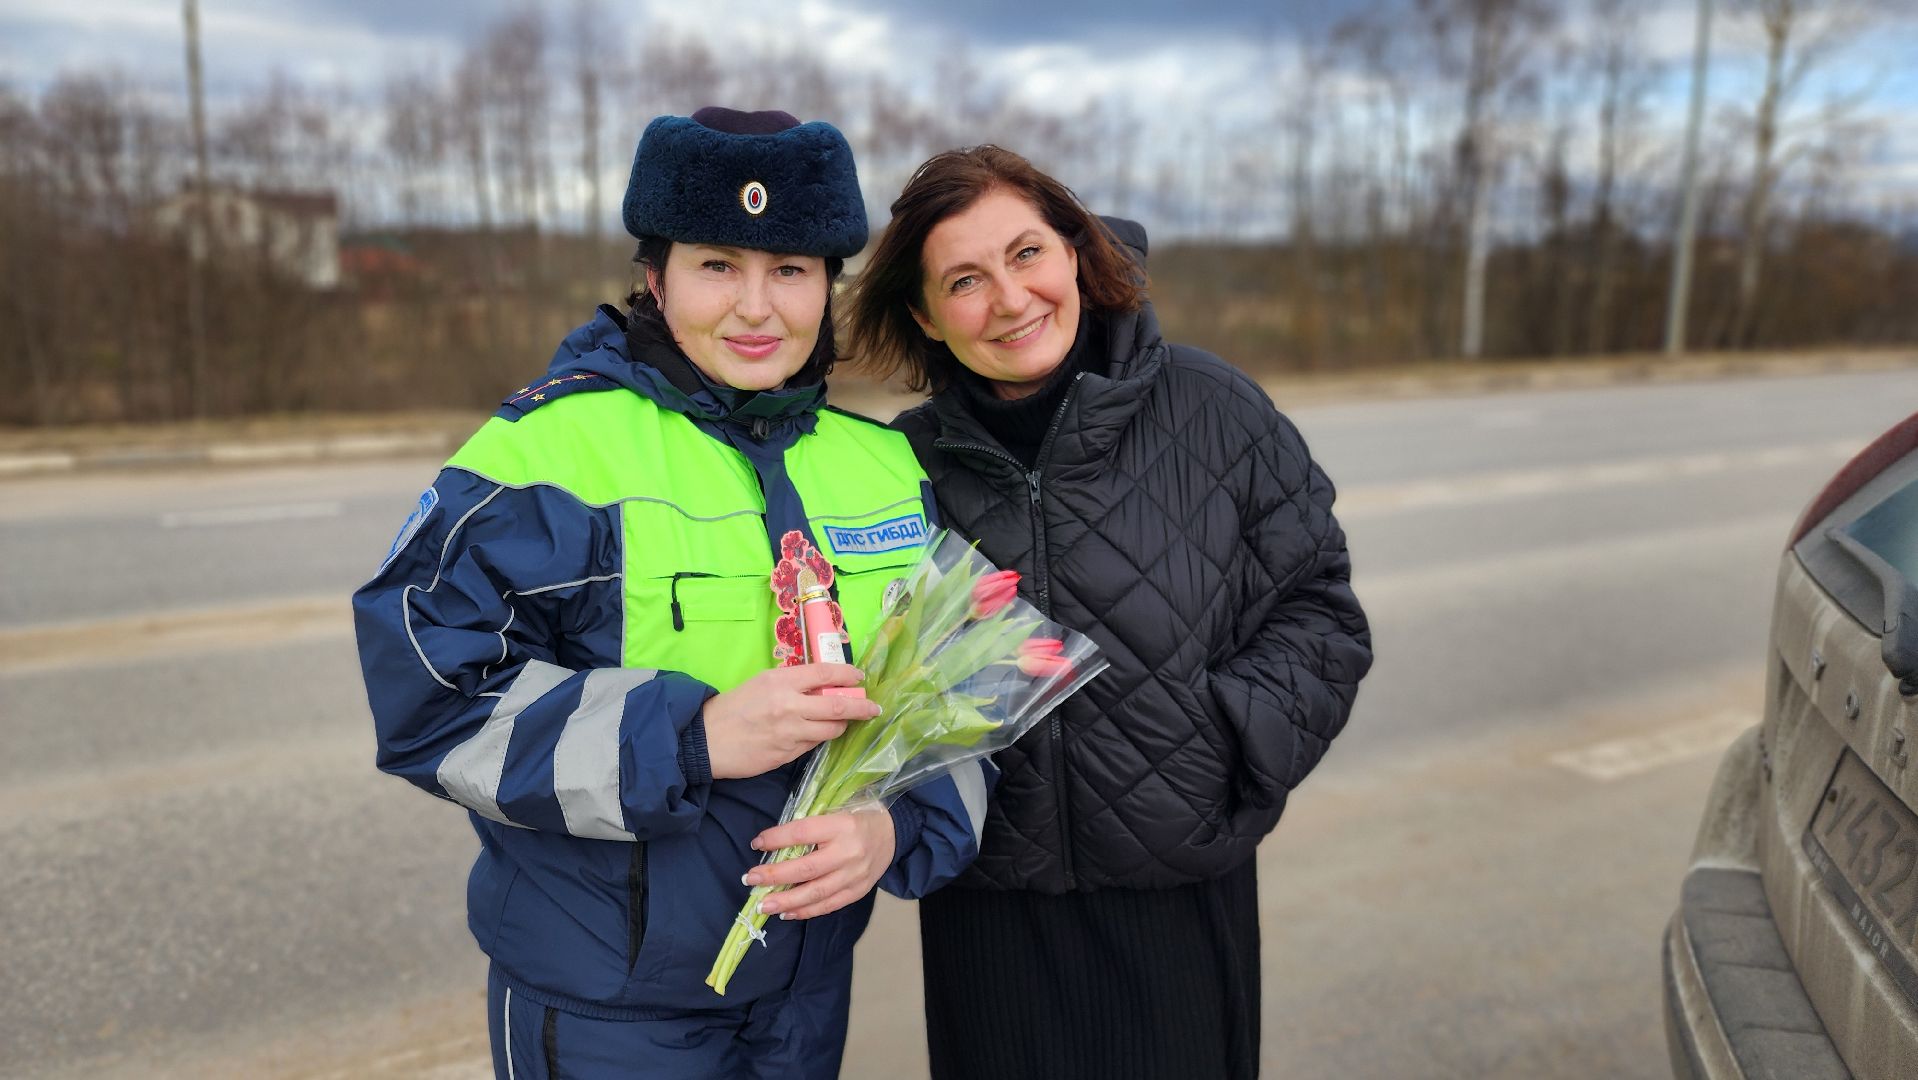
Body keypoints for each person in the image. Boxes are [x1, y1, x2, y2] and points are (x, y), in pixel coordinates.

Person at [353, 108, 988, 1080]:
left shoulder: (883, 465)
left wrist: (895, 826)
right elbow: (430, 704)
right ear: (654, 277)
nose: (756, 307)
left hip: (806, 994)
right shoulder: (548, 453)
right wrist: (688, 739)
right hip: (608, 1008)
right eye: (717, 265)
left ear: (829, 287)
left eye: (789, 270)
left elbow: (955, 691)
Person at [845, 145, 1374, 1079]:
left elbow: (1319, 610)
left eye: (1026, 254)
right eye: (964, 280)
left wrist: (1225, 746)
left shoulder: (1214, 408)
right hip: (989, 908)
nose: (1010, 300)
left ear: (1077, 253)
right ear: (924, 314)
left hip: (1176, 894)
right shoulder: (899, 466)